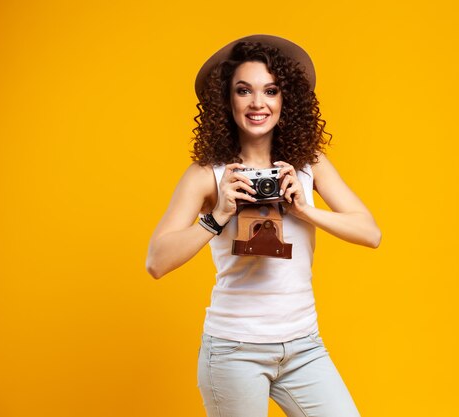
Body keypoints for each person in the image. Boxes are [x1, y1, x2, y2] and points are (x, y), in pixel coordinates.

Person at [146, 34, 381, 417]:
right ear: (227, 100)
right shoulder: (208, 175)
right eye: (244, 91)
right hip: (234, 350)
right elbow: (156, 262)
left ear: (285, 100)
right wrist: (217, 216)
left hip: (304, 346)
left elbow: (370, 233)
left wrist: (305, 210)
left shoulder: (308, 165)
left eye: (270, 91)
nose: (258, 103)